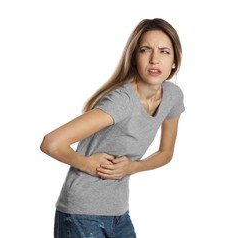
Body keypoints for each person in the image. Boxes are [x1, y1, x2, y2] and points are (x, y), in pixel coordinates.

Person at [40, 18, 185, 238]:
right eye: (145, 50)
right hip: (82, 214)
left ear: (174, 61)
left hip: (119, 213)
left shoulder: (173, 97)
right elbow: (51, 143)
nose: (155, 59)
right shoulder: (122, 101)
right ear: (134, 58)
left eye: (164, 51)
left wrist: (132, 167)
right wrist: (87, 164)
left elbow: (166, 153)